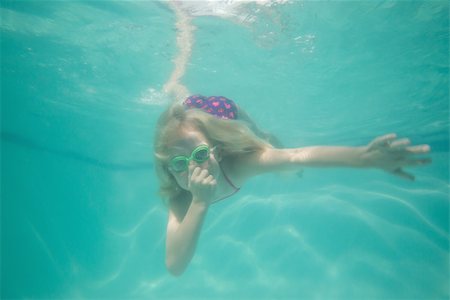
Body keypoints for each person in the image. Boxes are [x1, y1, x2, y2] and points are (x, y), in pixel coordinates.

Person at [154, 2, 432, 276]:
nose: (193, 169)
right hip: (190, 118)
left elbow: (297, 156)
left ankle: (185, 60)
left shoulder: (238, 164)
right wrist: (200, 202)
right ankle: (178, 69)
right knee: (178, 94)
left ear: (218, 151)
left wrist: (365, 158)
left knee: (260, 137)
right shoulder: (181, 196)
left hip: (220, 113)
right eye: (179, 163)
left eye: (200, 155)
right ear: (168, 169)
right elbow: (175, 265)